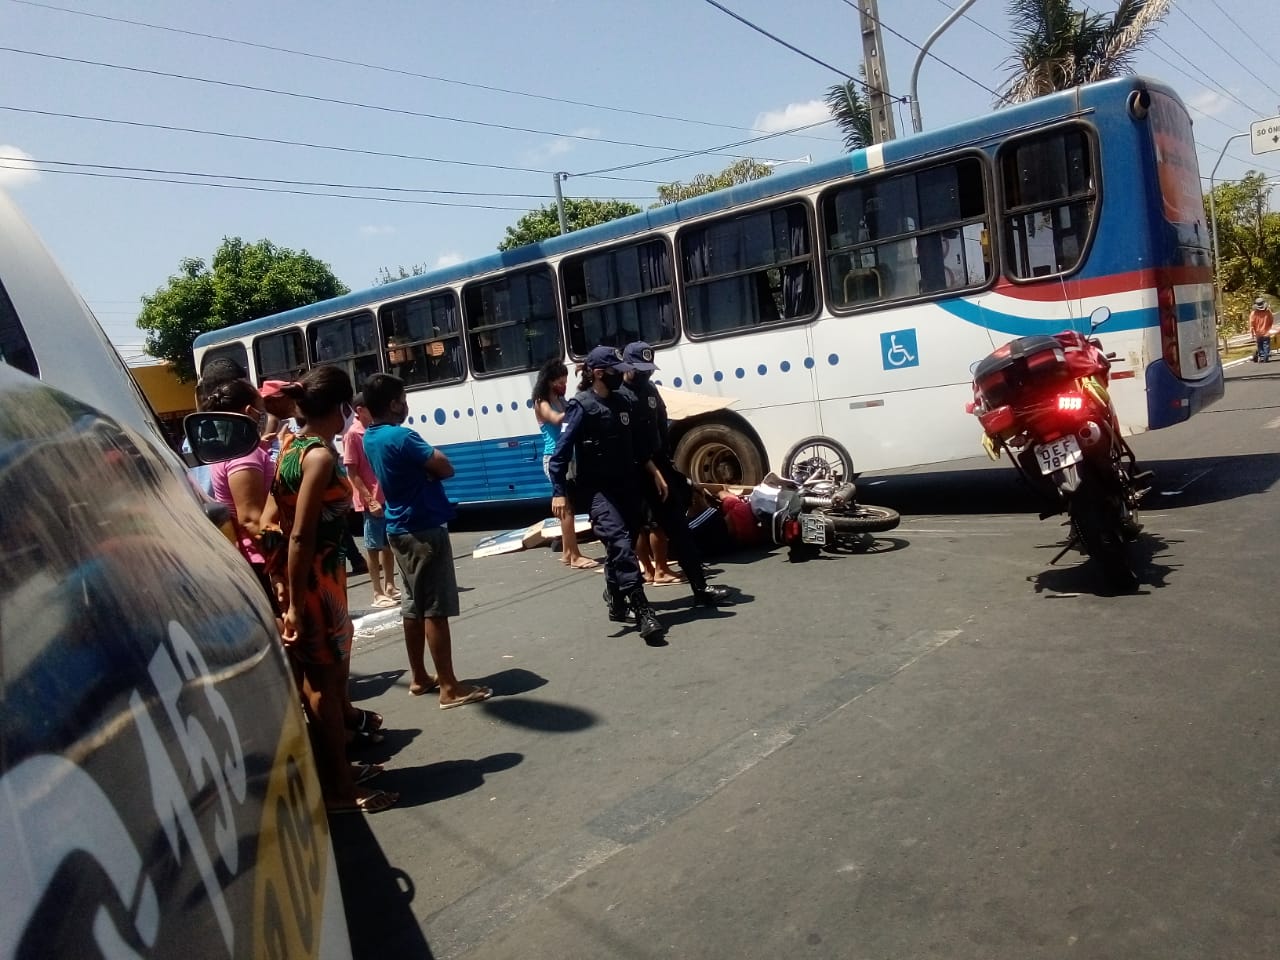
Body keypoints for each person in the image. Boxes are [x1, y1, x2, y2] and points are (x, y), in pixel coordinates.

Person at [268, 366, 397, 814]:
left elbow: (273, 523)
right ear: (343, 407)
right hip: (318, 585)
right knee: (325, 691)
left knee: (316, 687)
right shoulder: (319, 458)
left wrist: (282, 582)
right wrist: (296, 605)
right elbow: (301, 534)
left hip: (309, 581)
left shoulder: (289, 446)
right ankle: (341, 794)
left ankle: (336, 773)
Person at [361, 372, 492, 709]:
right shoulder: (401, 436)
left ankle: (419, 677)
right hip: (422, 527)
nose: (405, 405)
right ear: (393, 403)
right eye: (403, 399)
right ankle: (449, 687)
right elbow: (445, 466)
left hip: (398, 527)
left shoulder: (370, 437)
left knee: (412, 605)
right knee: (434, 609)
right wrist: (429, 471)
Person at [548, 346, 669, 641]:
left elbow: (638, 444)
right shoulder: (582, 406)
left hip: (627, 485)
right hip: (598, 491)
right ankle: (643, 611)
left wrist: (654, 471)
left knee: (621, 545)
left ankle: (615, 596)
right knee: (619, 543)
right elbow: (560, 454)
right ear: (600, 373)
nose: (621, 374)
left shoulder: (622, 402)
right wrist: (558, 492)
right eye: (616, 370)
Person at [619, 341, 731, 608]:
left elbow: (661, 425)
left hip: (659, 468)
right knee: (626, 538)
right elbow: (626, 442)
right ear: (626, 366)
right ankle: (623, 599)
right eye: (639, 369)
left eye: (648, 369)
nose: (645, 374)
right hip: (634, 474)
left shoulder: (650, 390)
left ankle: (701, 588)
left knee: (679, 531)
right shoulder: (618, 395)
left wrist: (667, 465)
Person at [201, 377, 276, 598]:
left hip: (251, 558)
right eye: (262, 409)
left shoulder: (230, 449)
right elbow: (251, 519)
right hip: (261, 560)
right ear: (249, 411)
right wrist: (283, 554)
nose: (264, 415)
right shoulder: (245, 454)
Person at [532, 358, 598, 570]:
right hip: (554, 458)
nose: (564, 385)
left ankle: (569, 551)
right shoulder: (542, 402)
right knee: (566, 508)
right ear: (550, 381)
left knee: (568, 507)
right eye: (561, 381)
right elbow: (557, 419)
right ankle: (573, 554)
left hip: (567, 456)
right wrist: (578, 410)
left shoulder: (560, 399)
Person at [343, 391, 400, 607]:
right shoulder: (353, 435)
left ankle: (390, 585)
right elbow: (352, 471)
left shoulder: (375, 430)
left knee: (389, 544)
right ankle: (377, 592)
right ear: (360, 410)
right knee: (373, 546)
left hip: (386, 495)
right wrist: (369, 499)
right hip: (372, 499)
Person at [1250, 297, 1274, 363]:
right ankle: (1266, 355)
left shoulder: (1253, 313)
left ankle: (1262, 356)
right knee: (1266, 344)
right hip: (1266, 332)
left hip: (1258, 333)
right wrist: (1269, 327)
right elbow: (1271, 321)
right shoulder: (1268, 312)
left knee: (1260, 345)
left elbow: (1252, 325)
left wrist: (1252, 333)